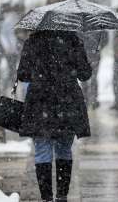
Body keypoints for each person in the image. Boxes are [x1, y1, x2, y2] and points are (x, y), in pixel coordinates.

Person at [17, 30, 92, 202]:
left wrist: (41, 73)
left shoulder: (33, 41)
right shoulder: (73, 40)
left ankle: (46, 197)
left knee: (42, 150)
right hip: (67, 102)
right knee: (64, 149)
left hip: (40, 101)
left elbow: (22, 74)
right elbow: (85, 74)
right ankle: (62, 195)